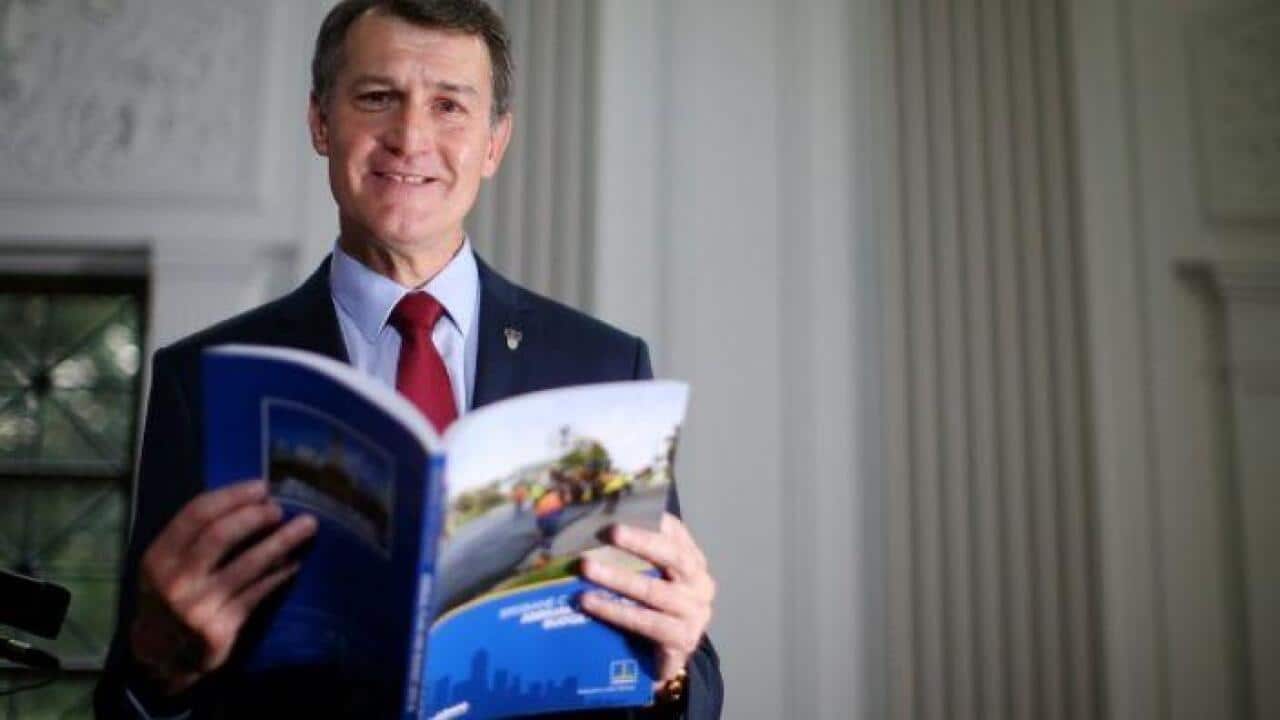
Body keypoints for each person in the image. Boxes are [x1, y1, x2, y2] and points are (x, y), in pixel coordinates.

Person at [93, 1, 723, 717]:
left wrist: (673, 668)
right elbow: (126, 698)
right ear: (321, 123)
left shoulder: (603, 365)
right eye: (376, 97)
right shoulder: (202, 380)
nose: (410, 137)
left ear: (494, 144)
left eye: (449, 106)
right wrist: (159, 667)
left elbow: (684, 678)